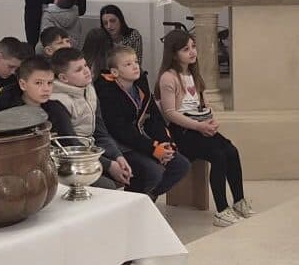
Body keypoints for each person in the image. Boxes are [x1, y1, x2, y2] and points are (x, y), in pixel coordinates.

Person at [156, 30, 252, 225]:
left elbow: (204, 105)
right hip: (182, 132)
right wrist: (199, 126)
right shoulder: (169, 77)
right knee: (218, 156)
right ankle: (222, 210)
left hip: (199, 126)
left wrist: (211, 121)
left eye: (193, 47)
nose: (192, 52)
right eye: (186, 49)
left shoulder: (194, 74)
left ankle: (239, 201)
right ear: (174, 54)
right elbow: (170, 113)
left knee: (231, 151)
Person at [97, 45, 188, 199]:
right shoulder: (107, 91)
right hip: (120, 146)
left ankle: (147, 197)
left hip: (141, 140)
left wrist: (165, 143)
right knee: (153, 171)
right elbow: (121, 131)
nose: (135, 67)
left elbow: (155, 118)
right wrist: (153, 149)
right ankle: (134, 205)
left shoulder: (141, 83)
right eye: (128, 64)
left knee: (181, 164)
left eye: (136, 62)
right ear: (114, 72)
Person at [43, 48, 134, 188]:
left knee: (133, 170)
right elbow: (70, 144)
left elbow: (100, 131)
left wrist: (117, 156)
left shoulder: (88, 89)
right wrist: (109, 165)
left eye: (85, 65)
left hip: (90, 151)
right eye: (78, 69)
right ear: (63, 78)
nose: (86, 71)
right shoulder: (57, 102)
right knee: (109, 187)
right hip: (70, 159)